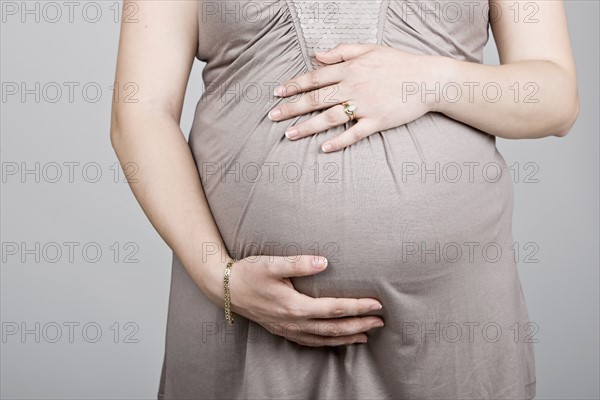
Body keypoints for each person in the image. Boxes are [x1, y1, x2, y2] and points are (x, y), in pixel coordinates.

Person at [110, 0, 579, 398]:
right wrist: (220, 278)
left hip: (449, 320)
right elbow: (140, 113)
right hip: (245, 314)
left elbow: (556, 97)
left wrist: (432, 81)